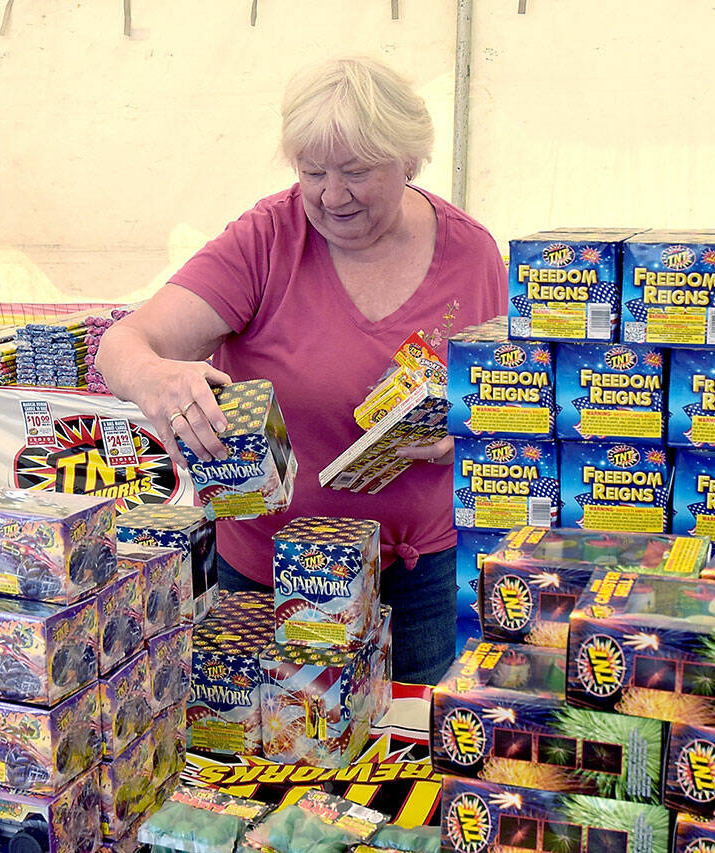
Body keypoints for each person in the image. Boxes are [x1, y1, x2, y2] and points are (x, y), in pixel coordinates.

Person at [97, 57, 506, 684]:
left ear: (411, 161)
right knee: (268, 763)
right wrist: (159, 378)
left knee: (410, 757)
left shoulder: (471, 251)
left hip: (420, 578)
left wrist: (472, 433)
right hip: (270, 580)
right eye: (312, 171)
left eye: (357, 172)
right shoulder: (267, 239)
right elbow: (124, 343)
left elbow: (505, 396)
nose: (331, 195)